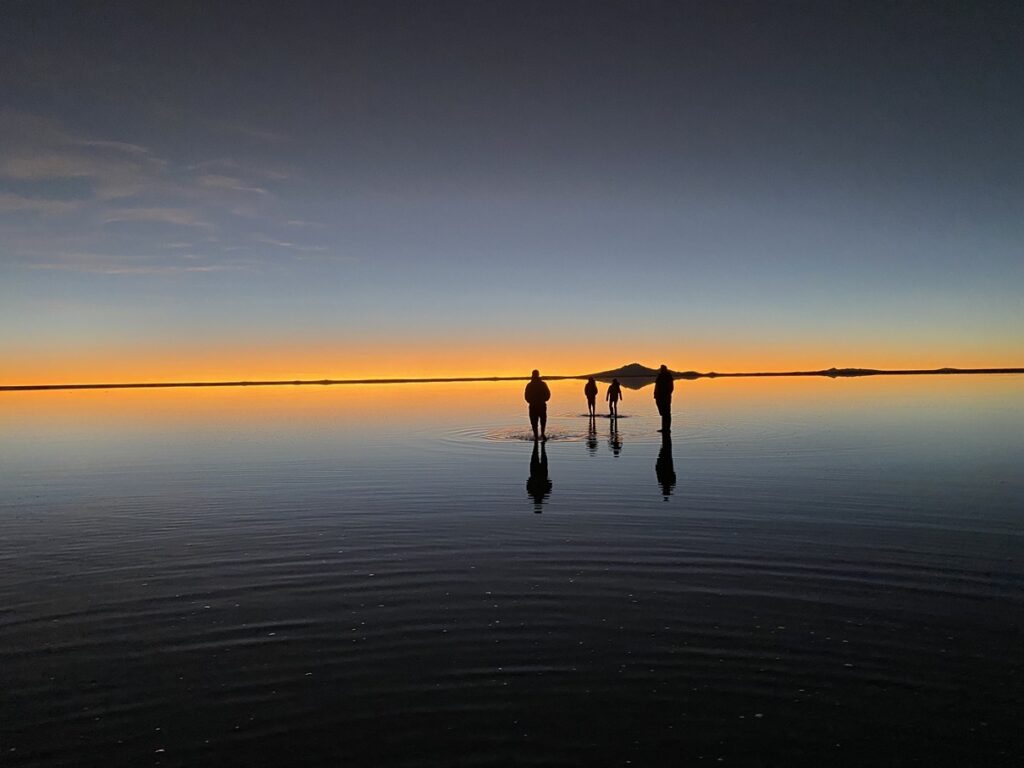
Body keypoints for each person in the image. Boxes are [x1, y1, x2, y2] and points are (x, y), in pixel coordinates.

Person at [524, 369, 551, 441]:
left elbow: (548, 394)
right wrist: (531, 401)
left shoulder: (542, 384)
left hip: (540, 405)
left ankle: (541, 434)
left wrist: (543, 400)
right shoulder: (530, 385)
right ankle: (537, 435)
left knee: (541, 421)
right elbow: (526, 396)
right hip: (534, 406)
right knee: (535, 422)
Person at [654, 364, 674, 433]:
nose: (661, 370)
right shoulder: (659, 376)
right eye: (661, 369)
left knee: (667, 413)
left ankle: (667, 429)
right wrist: (655, 394)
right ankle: (664, 428)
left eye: (662, 369)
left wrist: (668, 394)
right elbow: (656, 386)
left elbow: (671, 387)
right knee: (663, 413)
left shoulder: (668, 376)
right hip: (659, 397)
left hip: (666, 397)